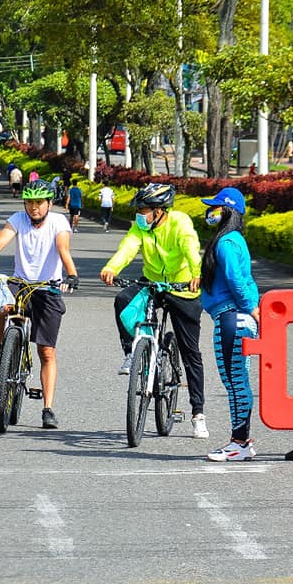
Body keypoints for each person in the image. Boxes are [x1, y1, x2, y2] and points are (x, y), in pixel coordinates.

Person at [99, 183, 209, 439]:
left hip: (182, 287)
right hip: (152, 284)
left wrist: (196, 274)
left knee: (190, 351)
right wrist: (112, 268)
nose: (140, 214)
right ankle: (132, 351)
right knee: (123, 300)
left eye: (144, 210)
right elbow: (128, 247)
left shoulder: (180, 223)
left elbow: (191, 249)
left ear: (159, 210)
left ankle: (198, 414)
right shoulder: (140, 227)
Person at [0, 180, 79, 429]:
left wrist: (71, 274)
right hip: (21, 284)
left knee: (46, 352)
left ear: (49, 204)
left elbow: (63, 249)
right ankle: (0, 348)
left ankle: (48, 408)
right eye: (29, 202)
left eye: (39, 203)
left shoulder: (59, 222)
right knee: (2, 304)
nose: (34, 208)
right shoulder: (18, 219)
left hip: (48, 288)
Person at [197, 189, 261, 461]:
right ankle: (242, 441)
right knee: (238, 380)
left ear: (228, 211)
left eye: (215, 207)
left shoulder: (226, 243)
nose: (210, 212)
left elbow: (237, 281)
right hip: (236, 317)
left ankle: (239, 442)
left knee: (235, 381)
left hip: (232, 318)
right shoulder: (233, 240)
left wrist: (252, 309)